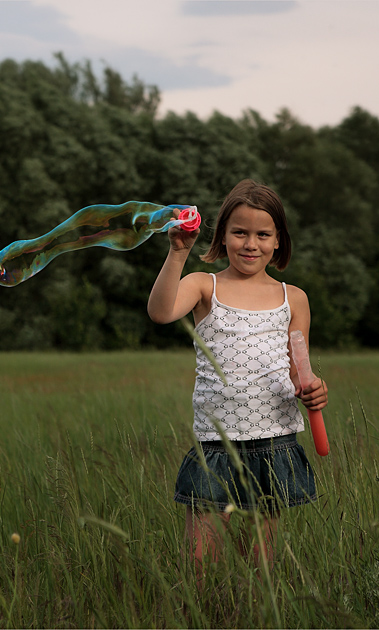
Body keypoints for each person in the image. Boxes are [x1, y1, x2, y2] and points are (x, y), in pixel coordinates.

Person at [147, 179, 328, 585]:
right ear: (223, 236)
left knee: (260, 570)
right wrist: (178, 253)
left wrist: (313, 386)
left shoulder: (292, 298)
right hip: (217, 446)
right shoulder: (203, 285)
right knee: (199, 565)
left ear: (278, 240)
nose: (251, 243)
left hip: (274, 445)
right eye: (240, 232)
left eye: (263, 234)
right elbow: (160, 313)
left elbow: (300, 369)